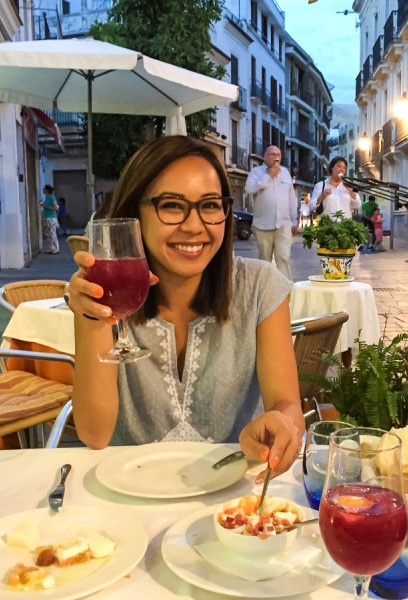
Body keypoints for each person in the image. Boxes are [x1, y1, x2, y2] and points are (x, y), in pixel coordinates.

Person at [67, 136, 304, 482]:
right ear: (134, 214)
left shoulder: (259, 287)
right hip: (127, 498)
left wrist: (283, 424)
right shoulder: (109, 293)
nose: (194, 226)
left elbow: (287, 404)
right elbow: (94, 433)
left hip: (228, 505)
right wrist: (91, 321)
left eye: (210, 205)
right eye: (172, 206)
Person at [245, 146, 298, 280]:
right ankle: (265, 290)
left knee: (283, 257)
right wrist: (268, 176)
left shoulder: (285, 173)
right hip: (262, 225)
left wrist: (294, 220)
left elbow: (291, 198)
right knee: (264, 260)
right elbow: (249, 188)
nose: (276, 157)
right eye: (273, 154)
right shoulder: (257, 172)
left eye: (279, 154)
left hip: (283, 224)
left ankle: (287, 291)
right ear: (265, 156)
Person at [39, 185, 59, 254]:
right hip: (46, 217)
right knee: (48, 234)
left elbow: (56, 207)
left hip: (51, 218)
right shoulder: (46, 198)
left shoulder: (51, 197)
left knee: (52, 233)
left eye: (44, 189)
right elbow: (44, 206)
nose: (43, 189)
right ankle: (51, 248)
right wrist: (41, 204)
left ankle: (56, 249)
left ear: (47, 190)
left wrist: (45, 206)